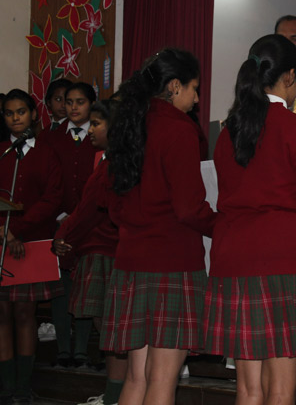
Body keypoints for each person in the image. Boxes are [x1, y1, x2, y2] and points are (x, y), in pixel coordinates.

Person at [203, 34, 296, 405]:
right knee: (281, 390)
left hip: (233, 263)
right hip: (285, 264)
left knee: (248, 389)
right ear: (290, 76)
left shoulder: (228, 134)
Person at [101, 48, 217, 405]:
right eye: (194, 89)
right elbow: (188, 208)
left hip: (130, 262)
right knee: (163, 381)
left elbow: (112, 204)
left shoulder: (129, 125)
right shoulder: (179, 130)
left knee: (136, 378)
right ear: (174, 86)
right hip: (172, 264)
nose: (196, 99)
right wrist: (224, 226)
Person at [52, 100, 127, 405]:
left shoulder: (117, 165)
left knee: (112, 331)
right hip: (99, 248)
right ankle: (115, 394)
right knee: (108, 331)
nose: (91, 129)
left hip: (106, 251)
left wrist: (63, 236)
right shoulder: (109, 161)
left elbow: (88, 212)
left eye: (96, 123)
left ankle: (118, 396)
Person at [0, 89, 64, 405]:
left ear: (34, 115)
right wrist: (3, 232)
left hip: (31, 242)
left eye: (21, 112)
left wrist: (17, 230)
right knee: (2, 314)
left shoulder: (46, 152)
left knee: (26, 313)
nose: (15, 118)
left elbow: (52, 198)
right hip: (1, 241)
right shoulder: (1, 152)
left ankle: (23, 386)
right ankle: (6, 385)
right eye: (9, 113)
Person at [43, 82, 98, 369]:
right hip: (58, 221)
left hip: (90, 224)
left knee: (85, 286)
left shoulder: (100, 136)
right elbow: (46, 182)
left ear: (92, 105)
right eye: (69, 102)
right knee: (61, 287)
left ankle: (81, 349)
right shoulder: (50, 138)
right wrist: (60, 215)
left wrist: (82, 216)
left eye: (80, 102)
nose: (74, 107)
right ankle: (63, 347)